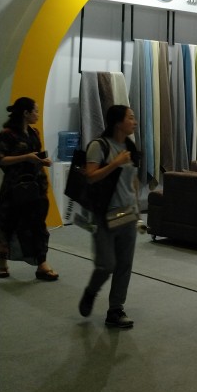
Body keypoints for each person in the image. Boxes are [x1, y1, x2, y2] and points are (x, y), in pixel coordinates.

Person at [78, 105, 141, 329]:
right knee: (106, 265)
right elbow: (91, 177)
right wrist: (115, 163)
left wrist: (136, 209)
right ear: (117, 122)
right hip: (104, 214)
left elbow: (133, 181)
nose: (134, 122)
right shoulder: (99, 145)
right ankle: (91, 291)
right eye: (130, 118)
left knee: (124, 265)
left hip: (127, 214)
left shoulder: (130, 147)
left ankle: (116, 310)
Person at [0, 97, 57, 281]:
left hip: (36, 185)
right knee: (7, 224)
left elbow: (36, 155)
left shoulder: (34, 132)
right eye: (36, 111)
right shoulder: (7, 134)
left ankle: (42, 264)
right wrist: (26, 157)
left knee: (38, 224)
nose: (38, 114)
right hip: (14, 187)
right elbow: (1, 160)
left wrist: (42, 160)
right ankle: (2, 261)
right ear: (26, 113)